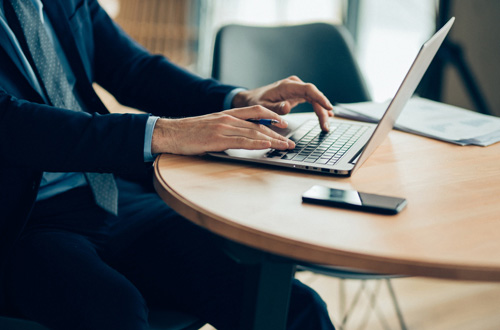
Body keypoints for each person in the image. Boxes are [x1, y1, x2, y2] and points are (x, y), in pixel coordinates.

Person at [0, 0, 336, 329]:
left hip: (108, 194)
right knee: (117, 311)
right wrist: (165, 132)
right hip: (21, 222)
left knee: (292, 306)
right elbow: (12, 123)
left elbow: (131, 68)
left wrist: (237, 99)